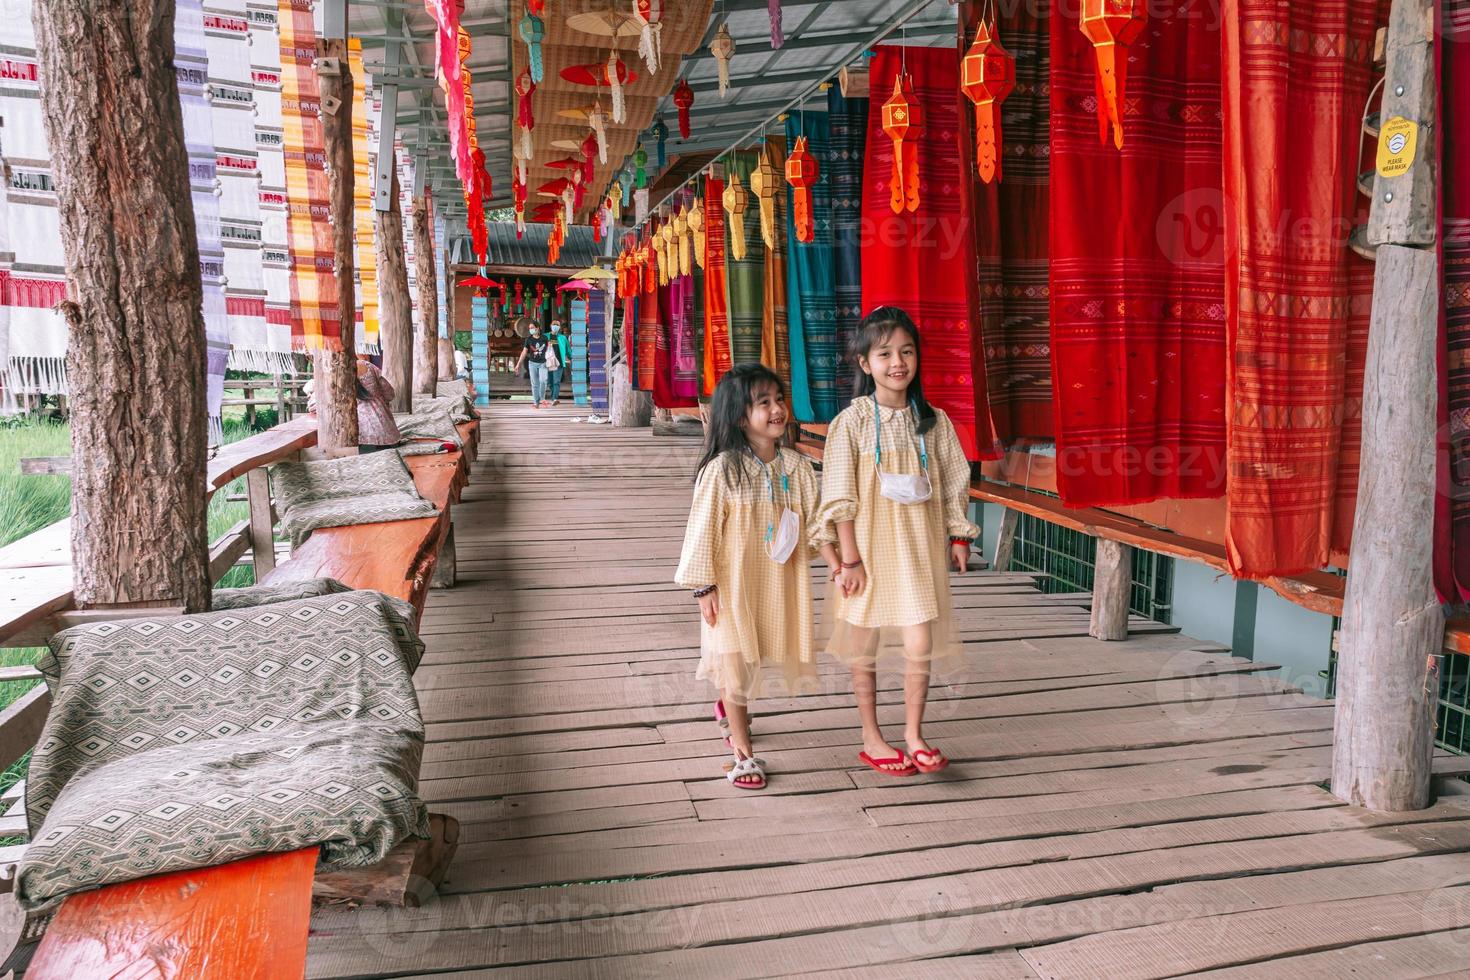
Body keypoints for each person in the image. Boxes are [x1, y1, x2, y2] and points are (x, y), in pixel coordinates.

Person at [818, 306, 977, 777]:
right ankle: (871, 735)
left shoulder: (934, 420)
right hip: (865, 553)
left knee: (919, 642)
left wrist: (958, 533)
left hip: (918, 553)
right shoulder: (852, 423)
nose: (898, 362)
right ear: (866, 364)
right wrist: (850, 560)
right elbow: (839, 495)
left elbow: (954, 481)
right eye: (885, 353)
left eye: (906, 351)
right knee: (863, 646)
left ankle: (913, 732)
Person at [675, 365, 839, 790]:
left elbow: (819, 522)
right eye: (762, 402)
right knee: (734, 659)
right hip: (731, 583)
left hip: (775, 580)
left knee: (753, 658)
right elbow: (702, 529)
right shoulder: (722, 470)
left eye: (778, 399)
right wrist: (703, 586)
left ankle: (728, 707)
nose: (776, 409)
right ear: (737, 415)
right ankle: (743, 750)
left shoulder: (798, 468)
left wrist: (839, 563)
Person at [354, 352, 401, 453]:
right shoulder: (368, 366)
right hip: (389, 437)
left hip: (361, 440)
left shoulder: (336, 374)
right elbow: (389, 392)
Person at [514, 322, 551, 408]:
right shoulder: (528, 339)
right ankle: (536, 403)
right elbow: (524, 352)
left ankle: (542, 398)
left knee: (543, 380)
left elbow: (549, 349)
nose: (531, 329)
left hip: (543, 363)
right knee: (534, 384)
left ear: (538, 328)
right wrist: (518, 364)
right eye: (530, 328)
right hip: (532, 364)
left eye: (532, 327)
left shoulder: (544, 338)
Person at [546, 319, 571, 405]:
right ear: (550, 326)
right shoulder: (545, 336)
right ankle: (553, 397)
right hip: (548, 363)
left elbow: (568, 349)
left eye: (557, 325)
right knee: (550, 382)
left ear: (559, 327)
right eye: (554, 324)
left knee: (556, 381)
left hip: (559, 362)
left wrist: (571, 358)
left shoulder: (563, 338)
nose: (555, 326)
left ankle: (554, 398)